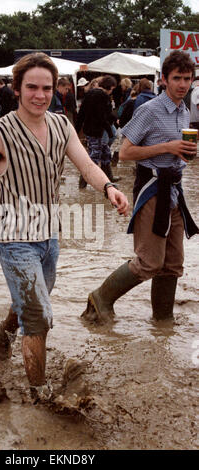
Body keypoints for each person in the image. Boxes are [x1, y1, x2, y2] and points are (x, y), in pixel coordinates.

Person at [0, 52, 129, 402]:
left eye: (46, 88)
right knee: (39, 315)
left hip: (49, 236)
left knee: (30, 302)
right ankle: (39, 394)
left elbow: (86, 165)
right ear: (17, 89)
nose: (40, 95)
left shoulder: (60, 126)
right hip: (13, 239)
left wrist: (109, 188)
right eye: (32, 87)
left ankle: (1, 335)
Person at [82, 50, 198, 325]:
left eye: (187, 78)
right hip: (151, 187)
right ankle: (101, 298)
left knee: (172, 264)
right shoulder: (149, 110)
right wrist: (167, 147)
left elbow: (178, 151)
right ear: (164, 80)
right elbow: (124, 153)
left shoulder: (185, 110)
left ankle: (163, 322)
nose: (182, 84)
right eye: (177, 78)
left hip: (175, 190)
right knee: (149, 262)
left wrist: (184, 152)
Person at [75, 75, 120, 188]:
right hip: (96, 131)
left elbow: (81, 113)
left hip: (90, 130)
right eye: (112, 89)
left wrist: (76, 129)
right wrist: (110, 131)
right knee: (94, 157)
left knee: (105, 153)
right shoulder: (102, 96)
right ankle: (83, 184)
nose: (111, 92)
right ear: (110, 87)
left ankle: (108, 179)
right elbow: (102, 116)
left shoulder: (90, 93)